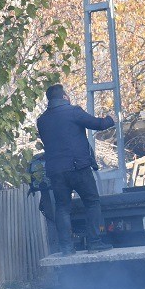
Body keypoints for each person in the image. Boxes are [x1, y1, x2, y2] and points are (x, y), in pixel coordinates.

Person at [36, 83, 115, 254]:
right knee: (92, 202)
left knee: (62, 207)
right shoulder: (73, 112)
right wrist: (111, 119)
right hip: (78, 167)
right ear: (64, 97)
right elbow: (98, 124)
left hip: (56, 172)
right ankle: (94, 243)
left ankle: (66, 247)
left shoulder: (41, 121)